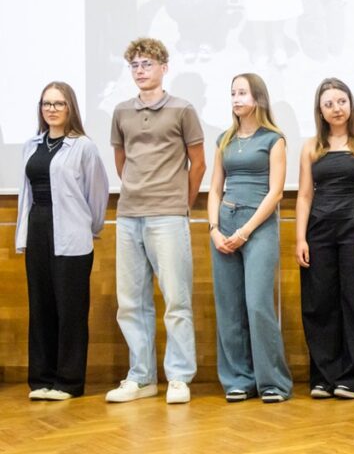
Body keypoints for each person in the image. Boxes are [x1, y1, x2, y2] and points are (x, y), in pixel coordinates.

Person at [107, 38, 206, 404]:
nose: (140, 70)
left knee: (176, 299)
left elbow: (198, 163)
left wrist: (181, 203)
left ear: (164, 67)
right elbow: (121, 161)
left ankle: (179, 377)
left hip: (169, 216)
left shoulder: (183, 109)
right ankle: (142, 377)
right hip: (129, 216)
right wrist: (138, 190)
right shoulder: (121, 111)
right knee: (130, 302)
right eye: (134, 65)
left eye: (146, 63)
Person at [16, 82, 109, 400]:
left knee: (70, 309)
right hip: (38, 229)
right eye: (46, 103)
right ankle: (41, 379)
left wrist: (87, 227)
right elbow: (26, 194)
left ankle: (68, 382)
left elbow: (98, 195)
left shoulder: (84, 147)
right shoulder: (31, 145)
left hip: (72, 234)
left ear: (70, 108)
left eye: (58, 103)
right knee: (40, 306)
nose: (52, 109)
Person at [296, 78, 354, 399]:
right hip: (319, 231)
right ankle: (325, 376)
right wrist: (300, 239)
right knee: (320, 304)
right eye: (329, 104)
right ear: (320, 110)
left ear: (350, 104)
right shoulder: (311, 147)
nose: (336, 108)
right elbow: (305, 195)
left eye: (341, 101)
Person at [207, 73, 292, 404]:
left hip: (259, 226)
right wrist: (214, 229)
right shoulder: (224, 140)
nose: (236, 99)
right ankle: (239, 380)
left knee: (257, 304)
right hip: (224, 224)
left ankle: (273, 382)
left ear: (258, 98)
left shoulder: (273, 139)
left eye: (242, 93)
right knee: (229, 306)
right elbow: (215, 189)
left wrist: (245, 231)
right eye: (233, 93)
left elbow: (276, 192)